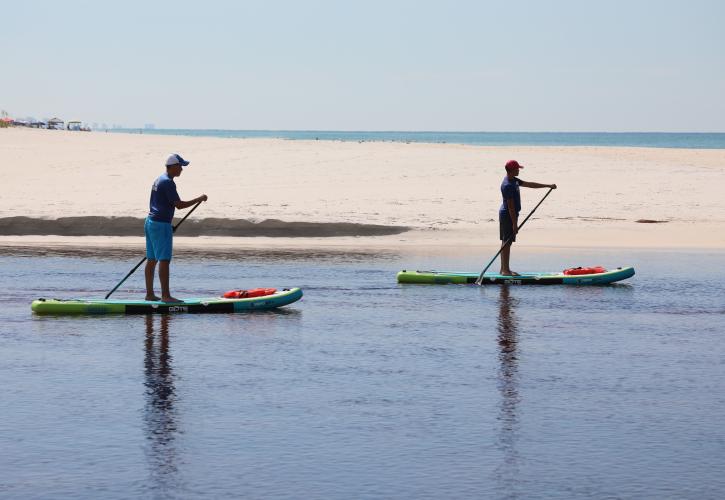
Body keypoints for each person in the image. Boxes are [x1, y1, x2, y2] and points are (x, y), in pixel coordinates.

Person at [144, 154, 208, 302]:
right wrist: (198, 199)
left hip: (151, 222)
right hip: (160, 225)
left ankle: (149, 294)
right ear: (172, 166)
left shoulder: (159, 179)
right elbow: (178, 205)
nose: (181, 169)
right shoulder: (167, 182)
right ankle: (166, 296)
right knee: (164, 260)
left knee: (152, 259)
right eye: (180, 166)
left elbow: (161, 203)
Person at [499, 160, 556, 276]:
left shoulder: (513, 181)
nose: (519, 170)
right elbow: (510, 208)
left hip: (511, 214)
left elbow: (530, 184)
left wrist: (547, 186)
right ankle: (505, 270)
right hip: (508, 215)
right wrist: (515, 224)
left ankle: (504, 269)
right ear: (511, 170)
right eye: (517, 168)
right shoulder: (507, 185)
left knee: (507, 242)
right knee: (507, 242)